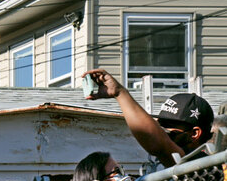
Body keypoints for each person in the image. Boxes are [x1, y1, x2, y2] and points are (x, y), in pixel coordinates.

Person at [84, 69, 213, 167]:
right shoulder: (159, 167)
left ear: (195, 133)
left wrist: (120, 93)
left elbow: (159, 145)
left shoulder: (201, 165)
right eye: (160, 123)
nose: (161, 129)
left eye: (168, 124)